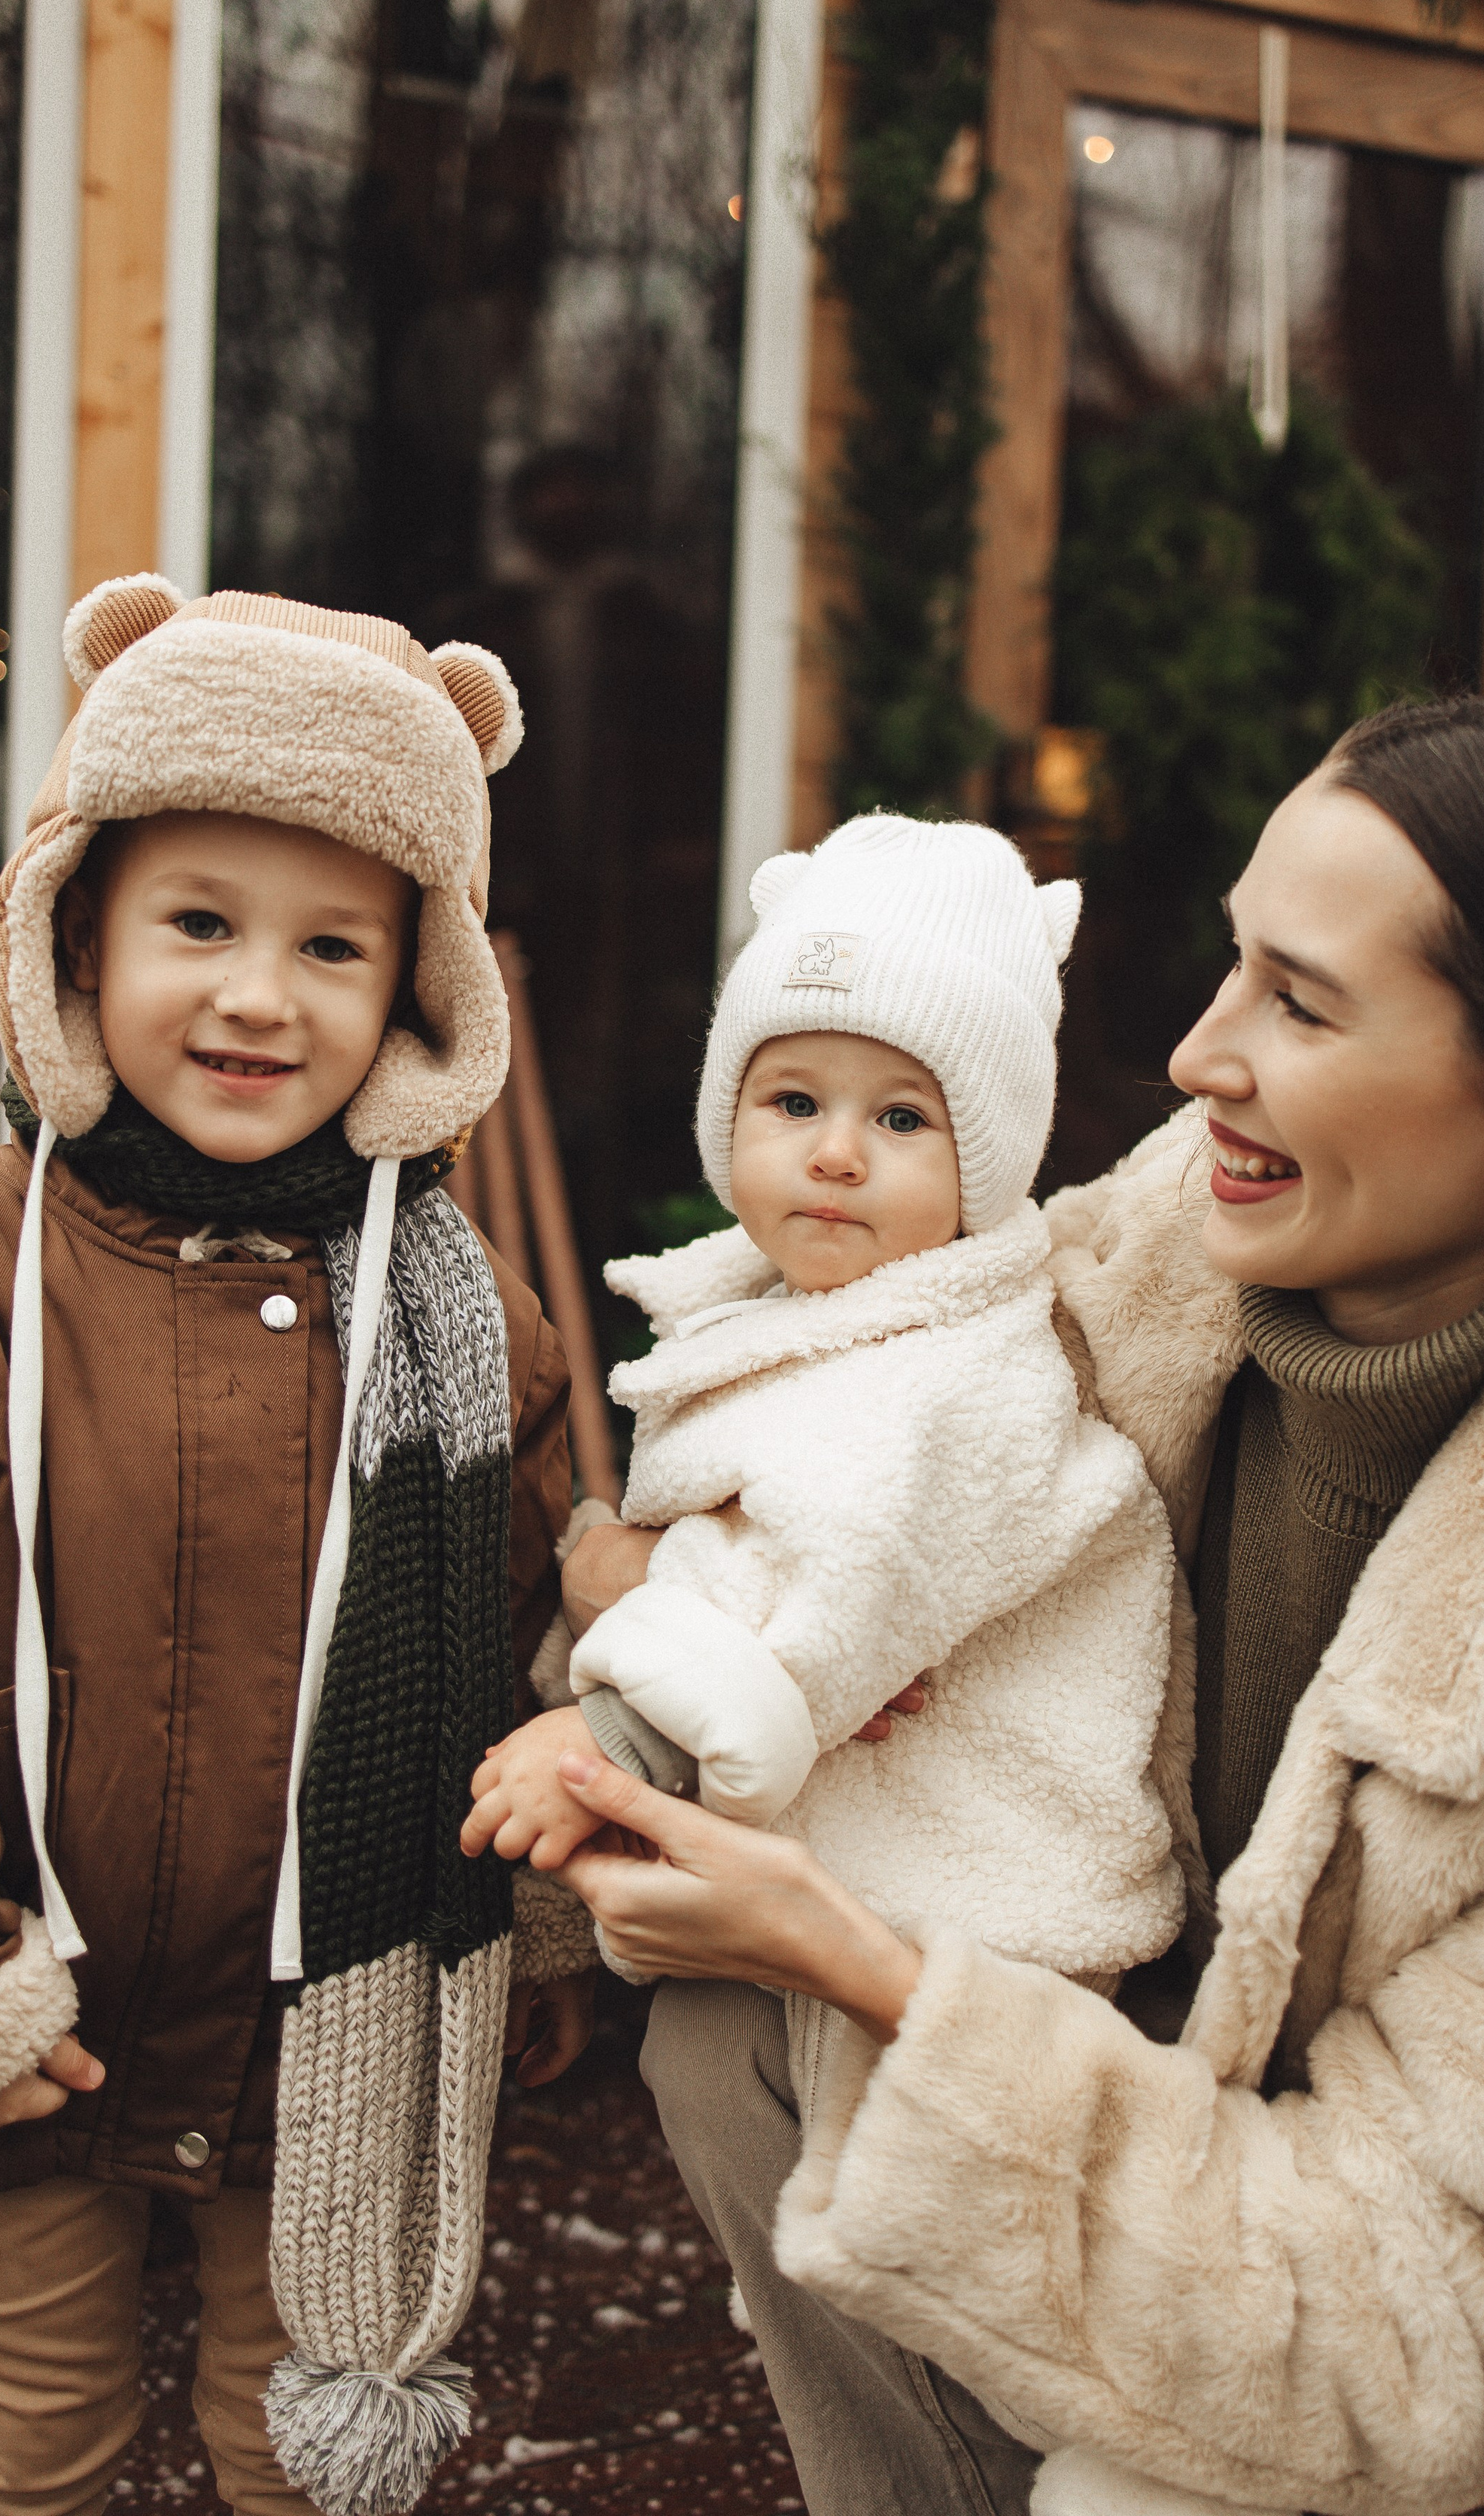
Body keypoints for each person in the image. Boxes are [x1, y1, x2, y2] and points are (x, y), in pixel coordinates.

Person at [545, 695, 1484, 2516]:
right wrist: (655, 1600)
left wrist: (860, 1959)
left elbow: (1430, 2332)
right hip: (1157, 2180)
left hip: (1397, 2384)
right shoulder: (1111, 1293)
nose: (1196, 1057)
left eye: (1300, 1001)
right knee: (731, 2032)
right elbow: (811, 1489)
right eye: (1225, 967)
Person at [0, 580, 597, 2516]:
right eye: (199, 924)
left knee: (306, 2466)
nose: (260, 996)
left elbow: (523, 1659)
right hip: (31, 2036)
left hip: (322, 2058)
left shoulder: (463, 1323)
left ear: (418, 998)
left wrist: (526, 1942)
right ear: (77, 935)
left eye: (333, 945)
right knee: (22, 2452)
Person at [463, 817, 1184, 2086]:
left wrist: (603, 1750)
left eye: (902, 1118)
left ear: (989, 1159)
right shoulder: (779, 1319)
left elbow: (816, 1587)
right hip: (824, 1890)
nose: (837, 1151)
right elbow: (713, 1565)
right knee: (725, 2128)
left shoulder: (970, 1370)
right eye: (793, 1101)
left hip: (958, 1921)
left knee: (857, 2231)